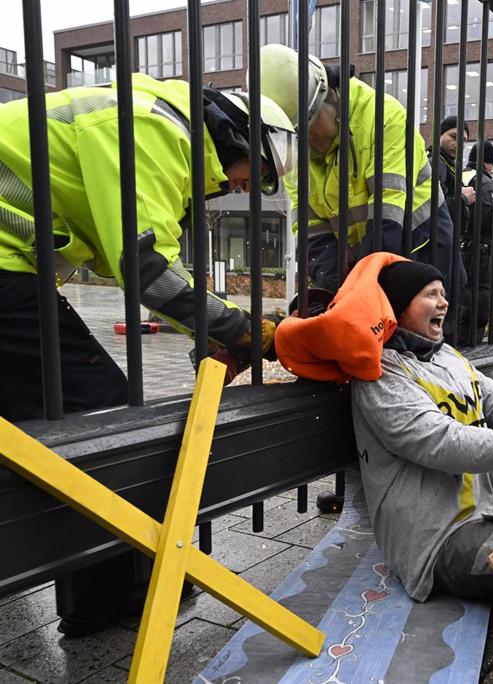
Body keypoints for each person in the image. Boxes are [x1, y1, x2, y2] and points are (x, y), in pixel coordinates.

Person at [0, 72, 294, 636]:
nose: (244, 188)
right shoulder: (156, 130)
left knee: (26, 429)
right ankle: (110, 596)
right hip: (5, 270)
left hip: (13, 265)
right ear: (237, 137)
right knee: (99, 421)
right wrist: (245, 331)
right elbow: (148, 269)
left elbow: (138, 267)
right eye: (252, 173)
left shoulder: (157, 122)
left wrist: (200, 335)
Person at [276, 254, 493, 601]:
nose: (444, 302)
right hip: (438, 541)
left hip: (490, 510)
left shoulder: (447, 356)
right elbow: (440, 442)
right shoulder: (381, 376)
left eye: (442, 292)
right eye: (430, 294)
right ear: (399, 307)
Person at [259, 44, 456, 294]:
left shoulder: (385, 117)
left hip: (426, 250)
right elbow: (313, 236)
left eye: (309, 125)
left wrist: (358, 289)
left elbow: (387, 217)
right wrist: (337, 291)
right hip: (369, 259)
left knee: (434, 329)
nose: (306, 138)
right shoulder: (298, 152)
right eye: (296, 134)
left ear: (330, 96)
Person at [458, 140, 493, 347]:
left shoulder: (460, 175)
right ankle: (471, 355)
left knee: (458, 303)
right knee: (477, 306)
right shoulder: (485, 181)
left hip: (457, 248)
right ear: (489, 163)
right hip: (478, 253)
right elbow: (492, 219)